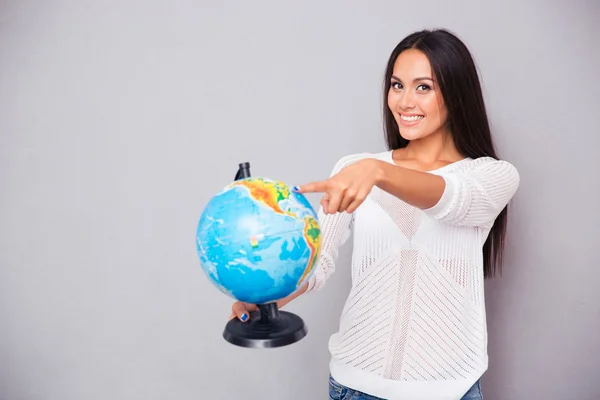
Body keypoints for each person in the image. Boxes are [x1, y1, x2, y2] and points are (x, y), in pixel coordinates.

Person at [230, 28, 520, 400]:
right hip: (355, 387)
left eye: (424, 87)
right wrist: (269, 298)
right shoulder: (356, 168)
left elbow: (454, 201)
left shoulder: (491, 175)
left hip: (450, 391)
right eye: (397, 85)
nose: (404, 101)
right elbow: (318, 261)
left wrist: (378, 172)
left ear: (457, 94)